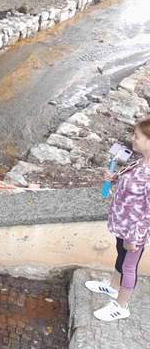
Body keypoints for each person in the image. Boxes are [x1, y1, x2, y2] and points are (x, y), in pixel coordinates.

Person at [86, 117, 150, 321]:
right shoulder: (140, 159)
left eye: (137, 136)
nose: (132, 139)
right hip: (122, 224)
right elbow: (131, 183)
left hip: (135, 232)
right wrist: (115, 178)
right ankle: (113, 287)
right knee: (120, 256)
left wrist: (135, 237)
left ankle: (121, 306)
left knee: (129, 267)